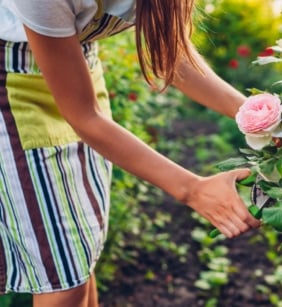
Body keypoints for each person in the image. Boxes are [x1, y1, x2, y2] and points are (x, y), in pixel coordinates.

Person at [0, 0, 261, 306]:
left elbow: (173, 56)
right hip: (12, 88)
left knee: (80, 250)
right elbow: (84, 117)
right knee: (61, 279)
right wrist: (192, 189)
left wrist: (256, 117)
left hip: (77, 71)